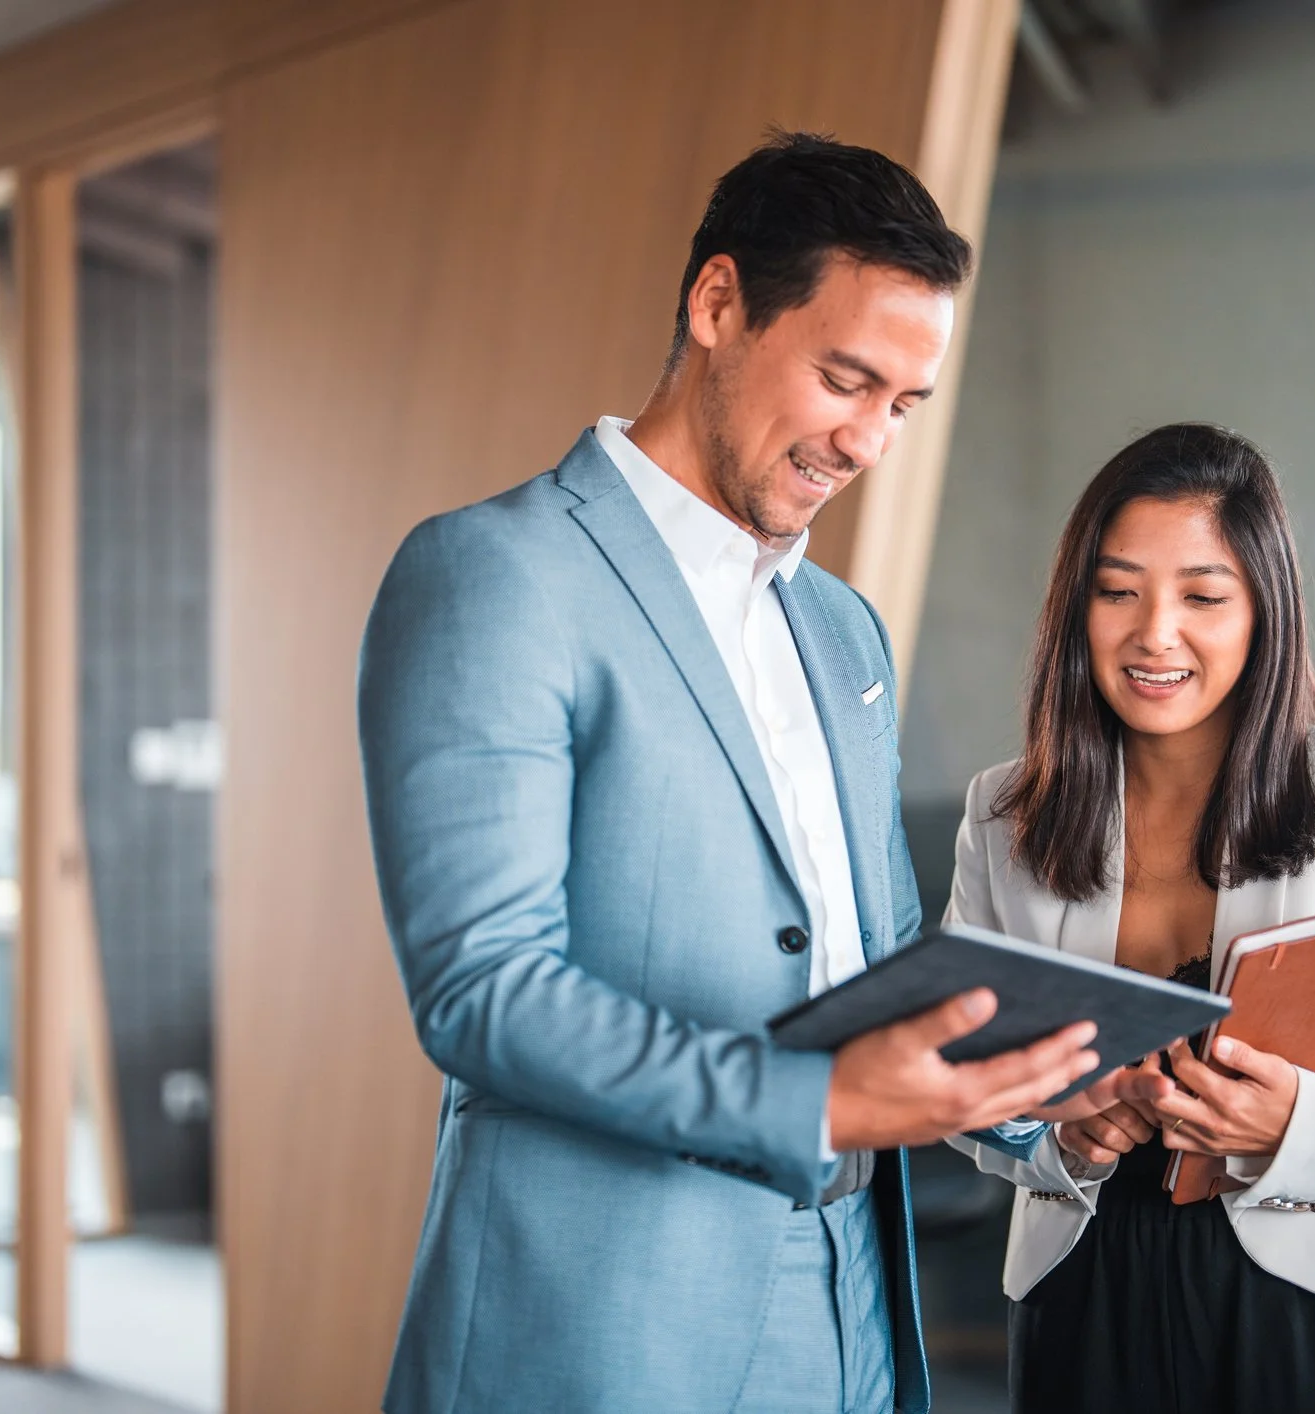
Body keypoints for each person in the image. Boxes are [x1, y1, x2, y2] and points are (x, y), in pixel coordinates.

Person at [357, 132, 1101, 1414]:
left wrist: (1040, 1102)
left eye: (902, 405)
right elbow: (484, 991)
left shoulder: (844, 630)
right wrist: (814, 1099)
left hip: (851, 1301)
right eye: (843, 378)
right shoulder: (496, 575)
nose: (867, 439)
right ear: (716, 305)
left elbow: (872, 964)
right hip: (602, 1320)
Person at [944, 423, 1315, 1413]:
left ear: (1264, 610)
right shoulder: (1004, 813)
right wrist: (1060, 1137)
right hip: (1086, 1293)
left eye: (1203, 596)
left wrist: (1295, 1124)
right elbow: (962, 1072)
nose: (1153, 632)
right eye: (1117, 590)